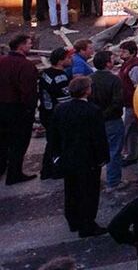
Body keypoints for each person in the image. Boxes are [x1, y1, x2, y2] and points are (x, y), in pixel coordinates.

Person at [53, 76, 109, 237]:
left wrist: (56, 156)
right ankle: (87, 225)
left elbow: (54, 135)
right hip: (88, 159)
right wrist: (102, 157)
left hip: (67, 158)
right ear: (87, 91)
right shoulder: (93, 110)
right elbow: (98, 137)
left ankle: (73, 220)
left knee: (71, 190)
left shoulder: (60, 109)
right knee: (89, 193)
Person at [1, 34, 40, 184]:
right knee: (19, 142)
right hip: (18, 109)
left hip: (2, 107)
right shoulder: (26, 66)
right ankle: (14, 173)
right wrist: (30, 109)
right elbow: (29, 92)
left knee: (3, 140)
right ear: (21, 46)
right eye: (29, 44)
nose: (31, 46)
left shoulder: (2, 61)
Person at [88, 51, 125, 189]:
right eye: (111, 59)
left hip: (95, 121)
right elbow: (117, 102)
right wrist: (105, 114)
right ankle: (114, 181)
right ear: (107, 63)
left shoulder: (90, 78)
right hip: (112, 121)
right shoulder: (114, 80)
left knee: (95, 150)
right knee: (114, 151)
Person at [39, 47, 73, 179]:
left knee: (51, 142)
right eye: (68, 58)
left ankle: (46, 170)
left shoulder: (45, 73)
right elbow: (65, 100)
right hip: (57, 115)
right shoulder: (61, 77)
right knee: (59, 144)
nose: (71, 60)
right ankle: (56, 170)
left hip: (46, 111)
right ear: (60, 61)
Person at [118, 41, 138, 165]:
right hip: (129, 102)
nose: (121, 54)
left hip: (133, 104)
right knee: (134, 130)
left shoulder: (134, 68)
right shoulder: (127, 64)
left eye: (124, 51)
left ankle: (131, 155)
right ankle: (137, 152)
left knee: (130, 130)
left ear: (133, 53)